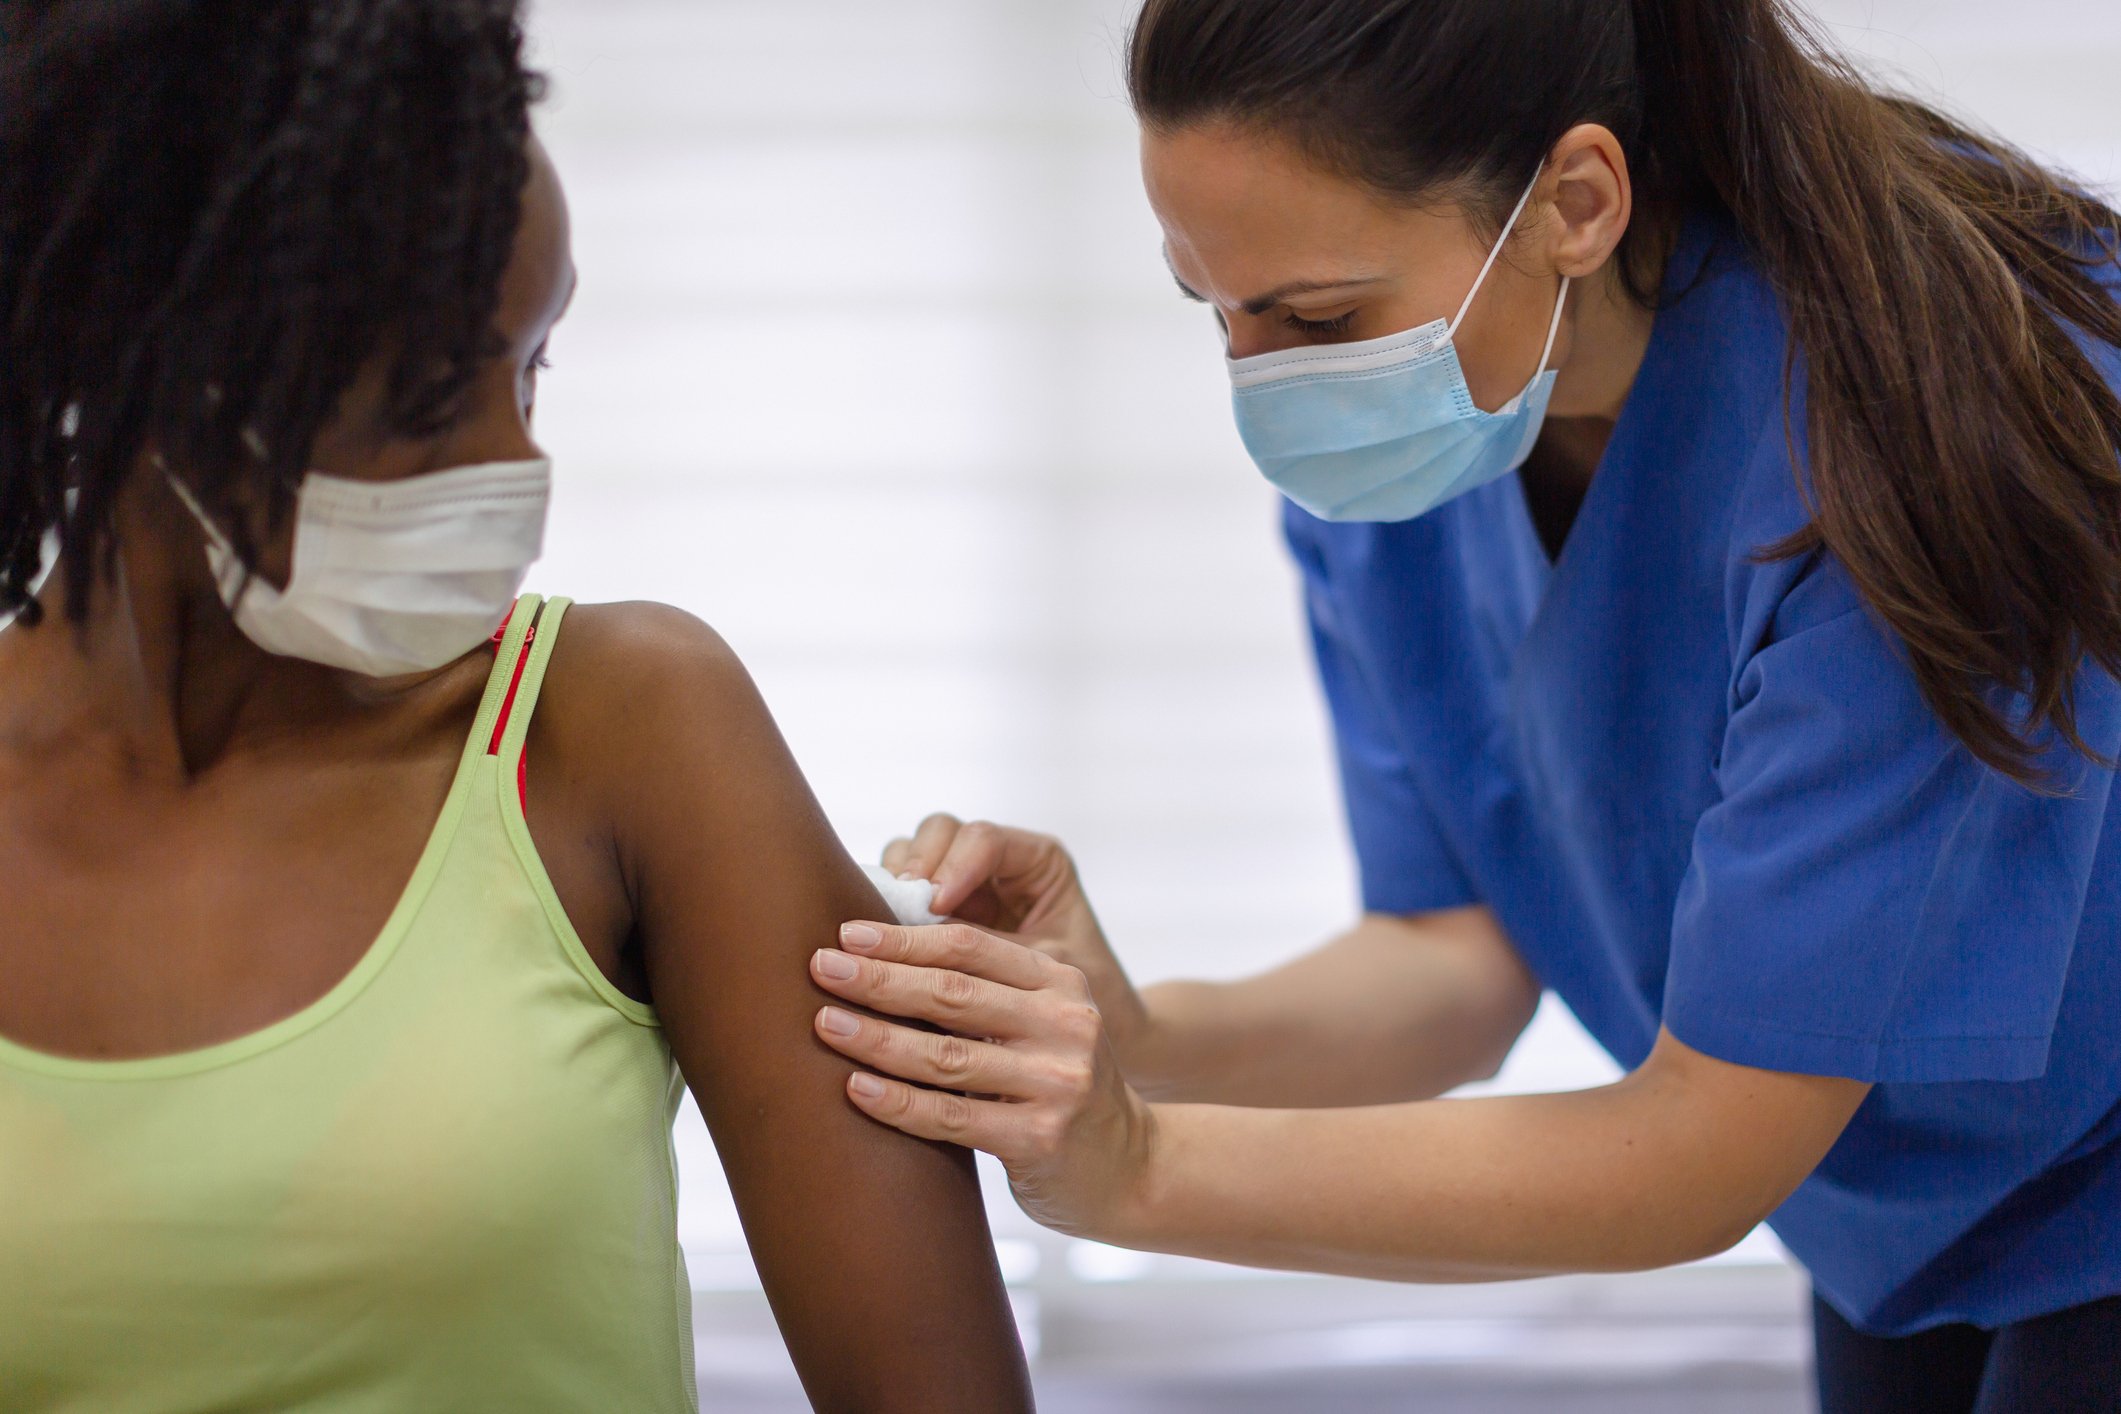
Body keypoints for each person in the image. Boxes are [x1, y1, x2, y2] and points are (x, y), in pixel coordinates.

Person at [804, 0, 2121, 1409]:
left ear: (1574, 201)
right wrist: (1127, 1035)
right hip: (1895, 1217)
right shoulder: (1416, 464)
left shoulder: (1904, 446)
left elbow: (1693, 1150)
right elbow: (1457, 964)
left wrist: (1138, 1161)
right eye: (1216, 307)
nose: (1263, 384)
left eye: (1314, 315)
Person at [0, 4, 1033, 1411]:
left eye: (530, 364)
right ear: (149, 366)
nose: (517, 468)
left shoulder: (624, 731)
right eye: (427, 399)